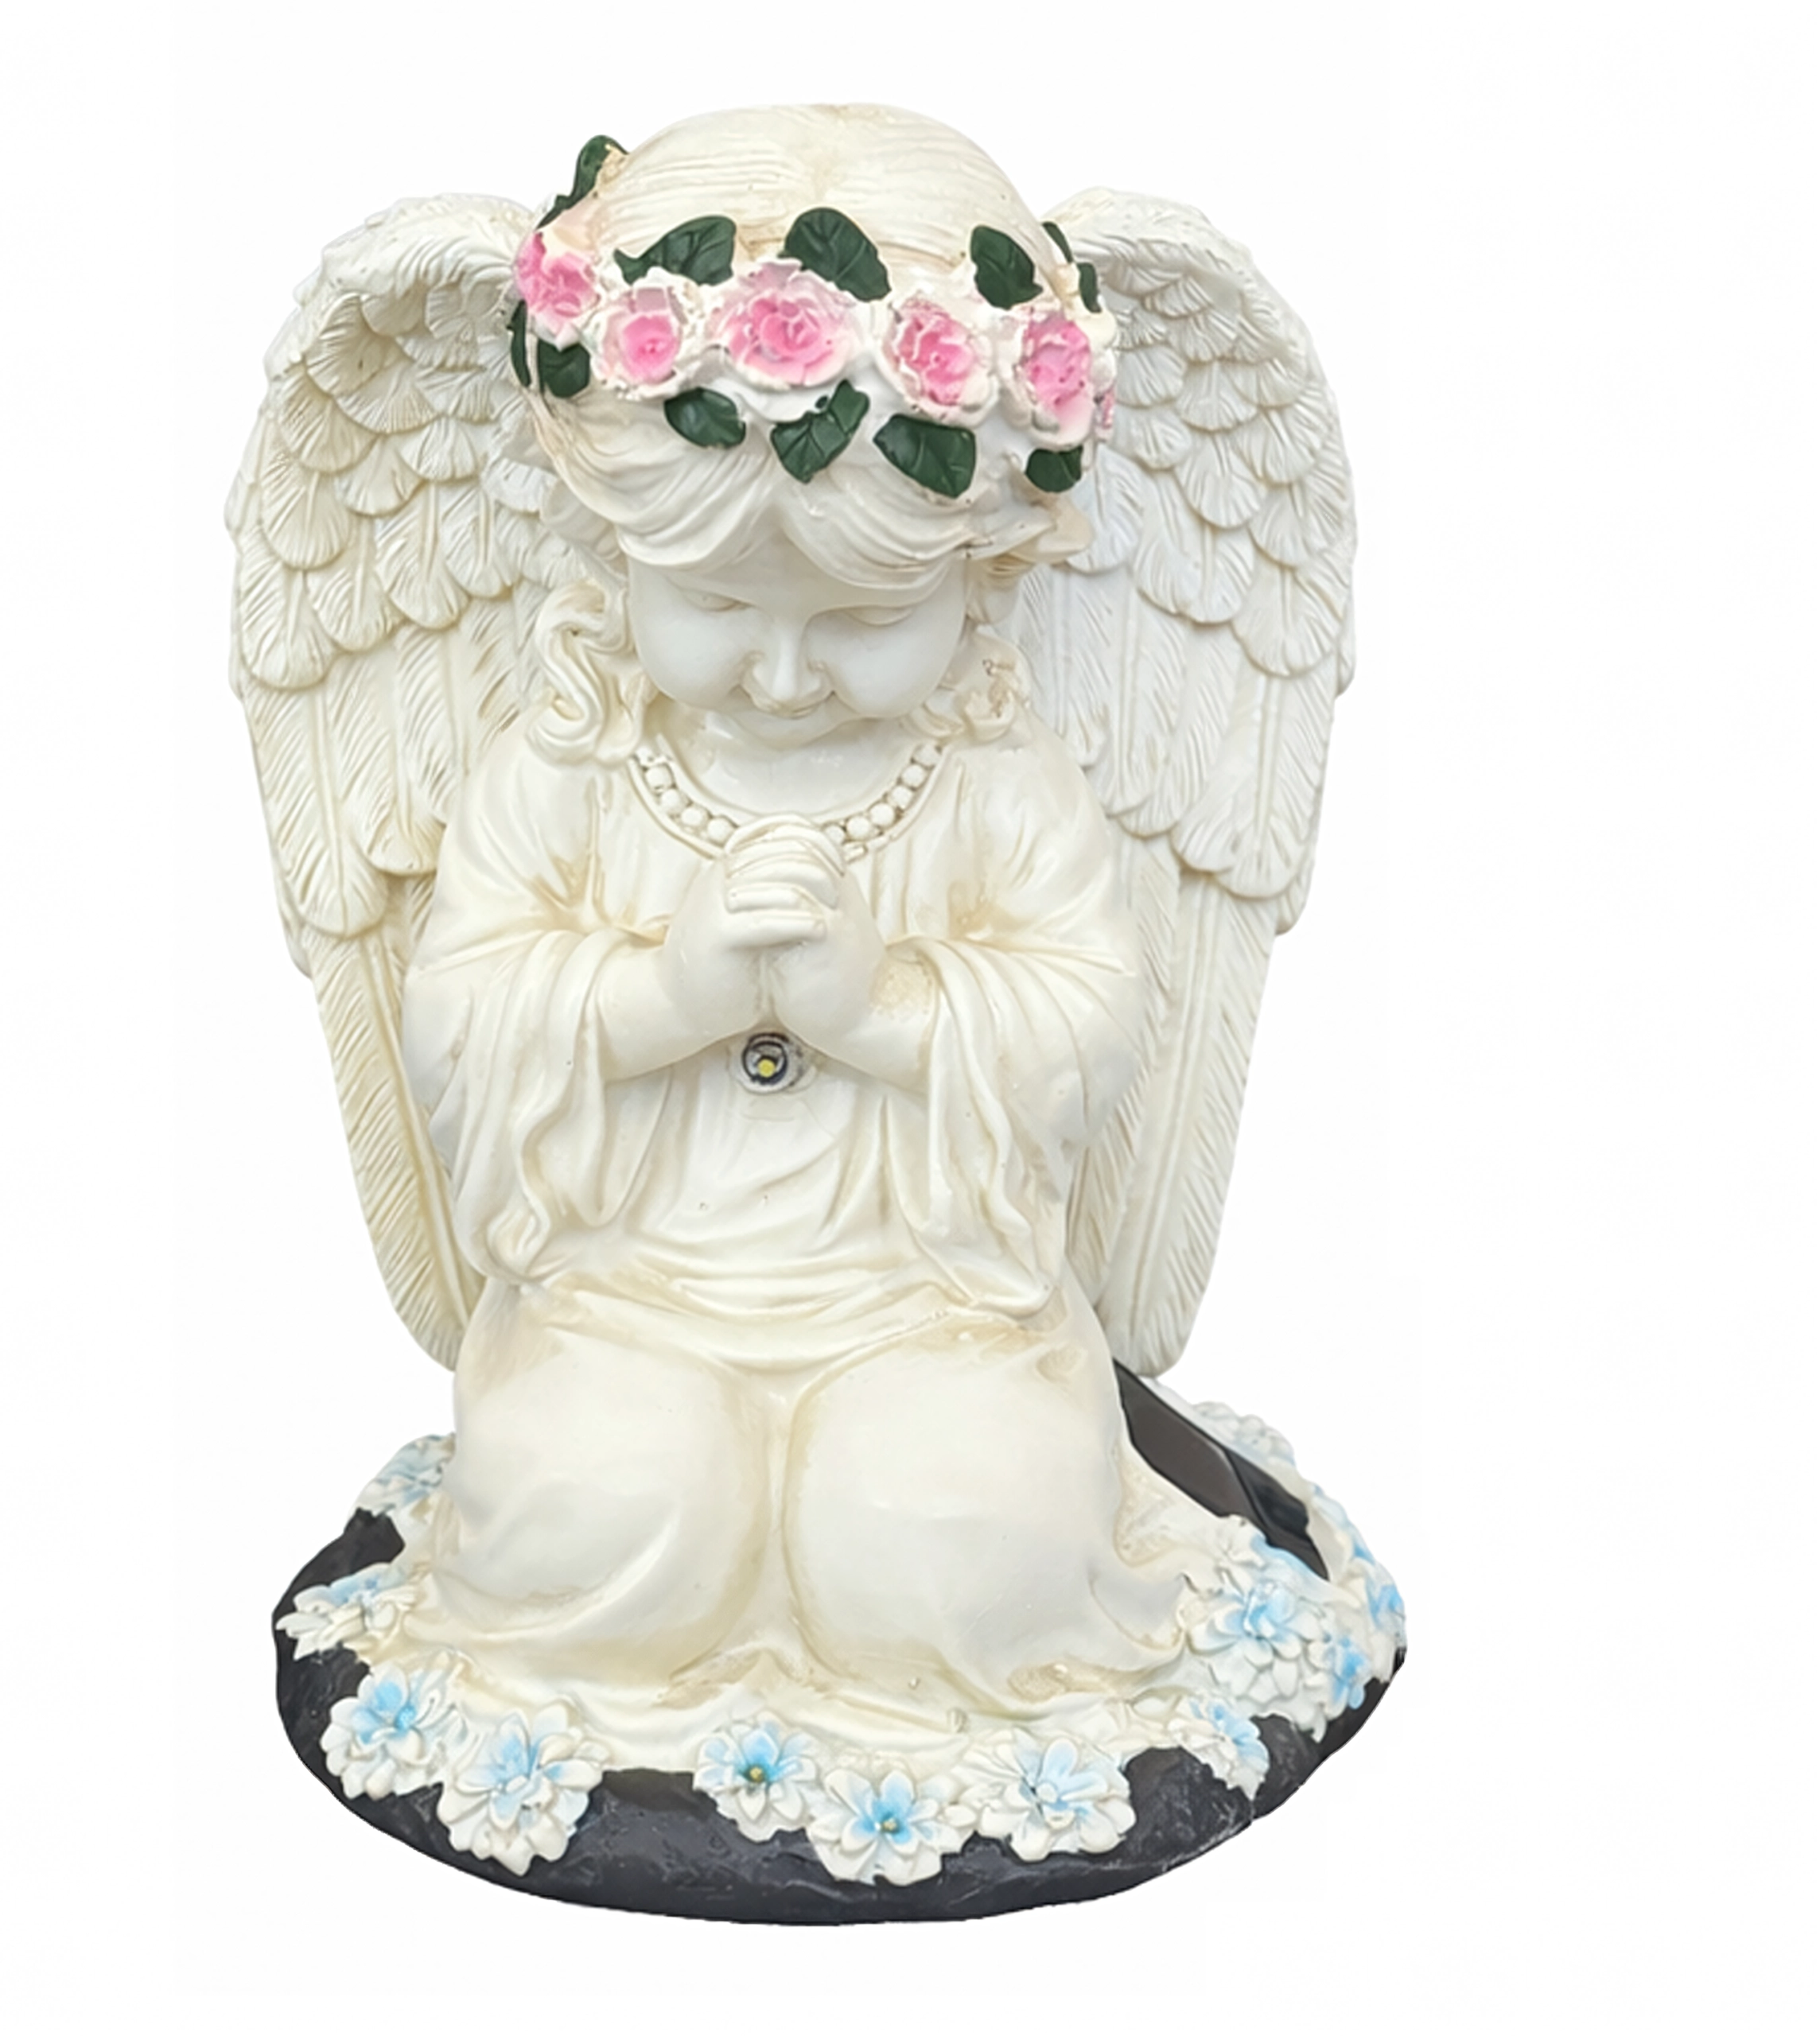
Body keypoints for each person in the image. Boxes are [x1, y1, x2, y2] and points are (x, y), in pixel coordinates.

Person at [392, 109, 1237, 1763]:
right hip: (627, 1296)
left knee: (946, 1547)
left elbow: (1094, 1022)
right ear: (618, 558)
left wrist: (885, 1013)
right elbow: (457, 1014)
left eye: (859, 620)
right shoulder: (568, 766)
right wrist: (660, 995)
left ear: (977, 580)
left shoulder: (990, 782)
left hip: (929, 1300)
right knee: (595, 1518)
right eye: (716, 606)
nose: (781, 677)